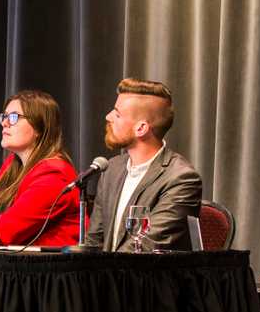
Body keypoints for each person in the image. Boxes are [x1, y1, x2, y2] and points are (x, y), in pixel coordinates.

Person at [84, 79, 201, 252]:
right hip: (107, 275)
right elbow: (94, 241)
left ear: (141, 128)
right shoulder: (111, 169)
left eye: (117, 114)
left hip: (148, 277)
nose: (108, 117)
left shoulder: (181, 179)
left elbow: (146, 247)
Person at [0, 90, 80, 247]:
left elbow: (4, 230)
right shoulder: (12, 166)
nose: (5, 123)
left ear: (40, 127)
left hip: (48, 268)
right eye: (4, 116)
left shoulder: (55, 175)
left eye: (14, 117)